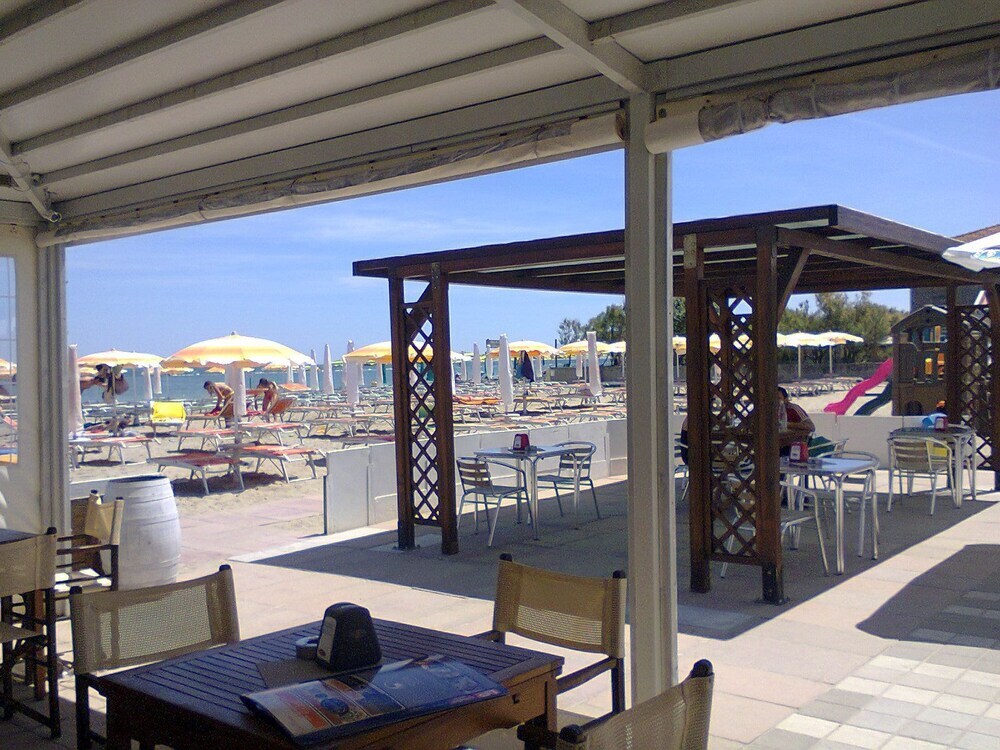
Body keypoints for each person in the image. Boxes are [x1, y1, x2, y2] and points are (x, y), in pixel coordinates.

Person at [778, 386, 815, 456]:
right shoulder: (766, 411)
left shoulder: (793, 409)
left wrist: (787, 424)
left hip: (794, 447)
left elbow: (811, 427)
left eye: (778, 398)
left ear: (786, 399)